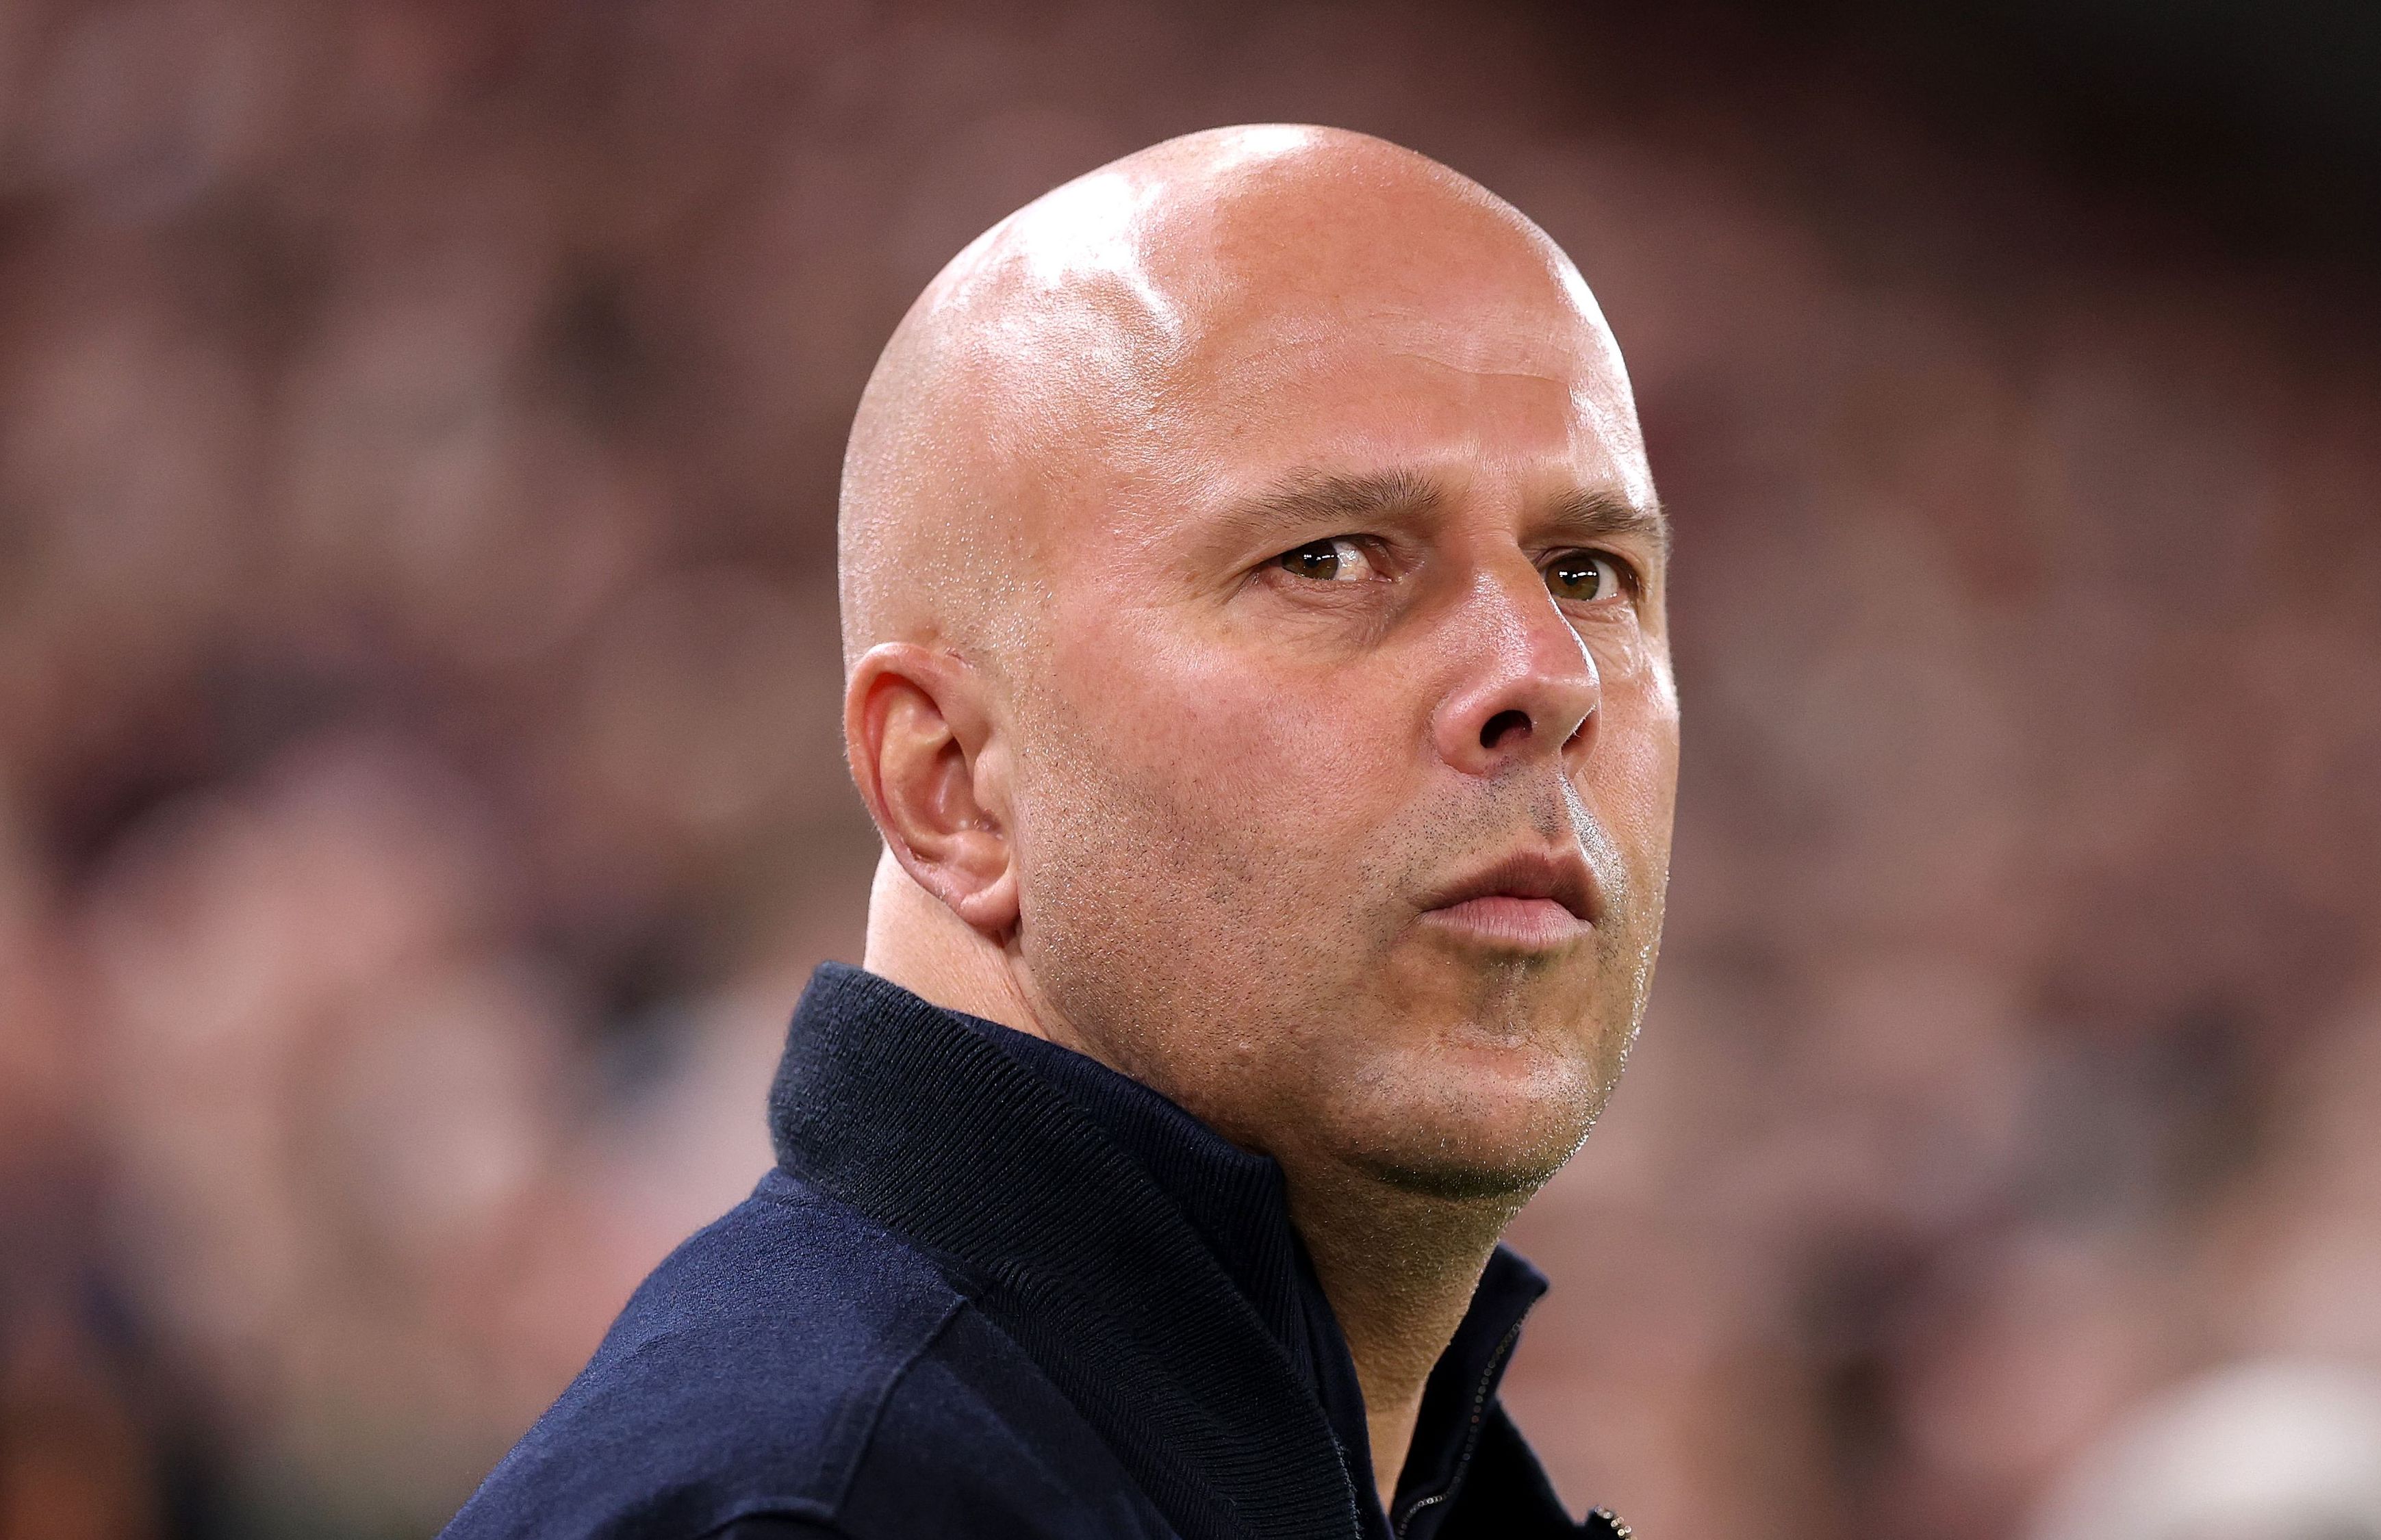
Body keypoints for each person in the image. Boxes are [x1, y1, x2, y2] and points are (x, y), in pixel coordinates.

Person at [444, 123, 1677, 1540]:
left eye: (1587, 570)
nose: (1545, 672)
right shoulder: (807, 1512)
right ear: (951, 784)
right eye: (1326, 560)